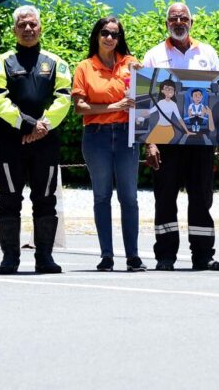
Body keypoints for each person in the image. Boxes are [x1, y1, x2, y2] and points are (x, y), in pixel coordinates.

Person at [0, 5, 72, 274]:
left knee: (46, 199)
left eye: (32, 24)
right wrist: (26, 124)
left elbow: (64, 97)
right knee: (9, 199)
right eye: (22, 25)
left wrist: (42, 125)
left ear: (40, 27)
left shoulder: (56, 62)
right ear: (14, 29)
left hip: (46, 143)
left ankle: (44, 258)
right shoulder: (1, 62)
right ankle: (10, 258)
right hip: (10, 143)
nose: (27, 29)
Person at [142, 2, 219, 271]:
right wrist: (150, 142)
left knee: (202, 198)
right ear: (166, 23)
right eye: (173, 18)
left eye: (183, 18)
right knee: (165, 197)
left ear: (192, 22)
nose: (178, 22)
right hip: (166, 141)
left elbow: (218, 96)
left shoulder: (208, 53)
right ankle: (165, 256)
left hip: (201, 141)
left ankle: (203, 256)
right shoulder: (154, 55)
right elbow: (145, 101)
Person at [72, 16, 146, 272]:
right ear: (97, 35)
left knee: (129, 197)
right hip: (97, 137)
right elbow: (79, 108)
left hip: (127, 135)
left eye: (115, 34)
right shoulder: (84, 67)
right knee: (101, 196)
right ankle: (106, 256)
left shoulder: (132, 64)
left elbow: (148, 98)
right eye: (105, 33)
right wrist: (112, 107)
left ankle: (133, 256)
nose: (110, 38)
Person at [146, 79, 190, 144]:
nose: (169, 90)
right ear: (162, 91)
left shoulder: (173, 104)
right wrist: (140, 117)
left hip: (168, 129)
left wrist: (187, 130)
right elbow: (151, 111)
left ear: (174, 91)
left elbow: (179, 118)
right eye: (167, 88)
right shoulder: (160, 102)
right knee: (148, 143)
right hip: (158, 128)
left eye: (171, 89)